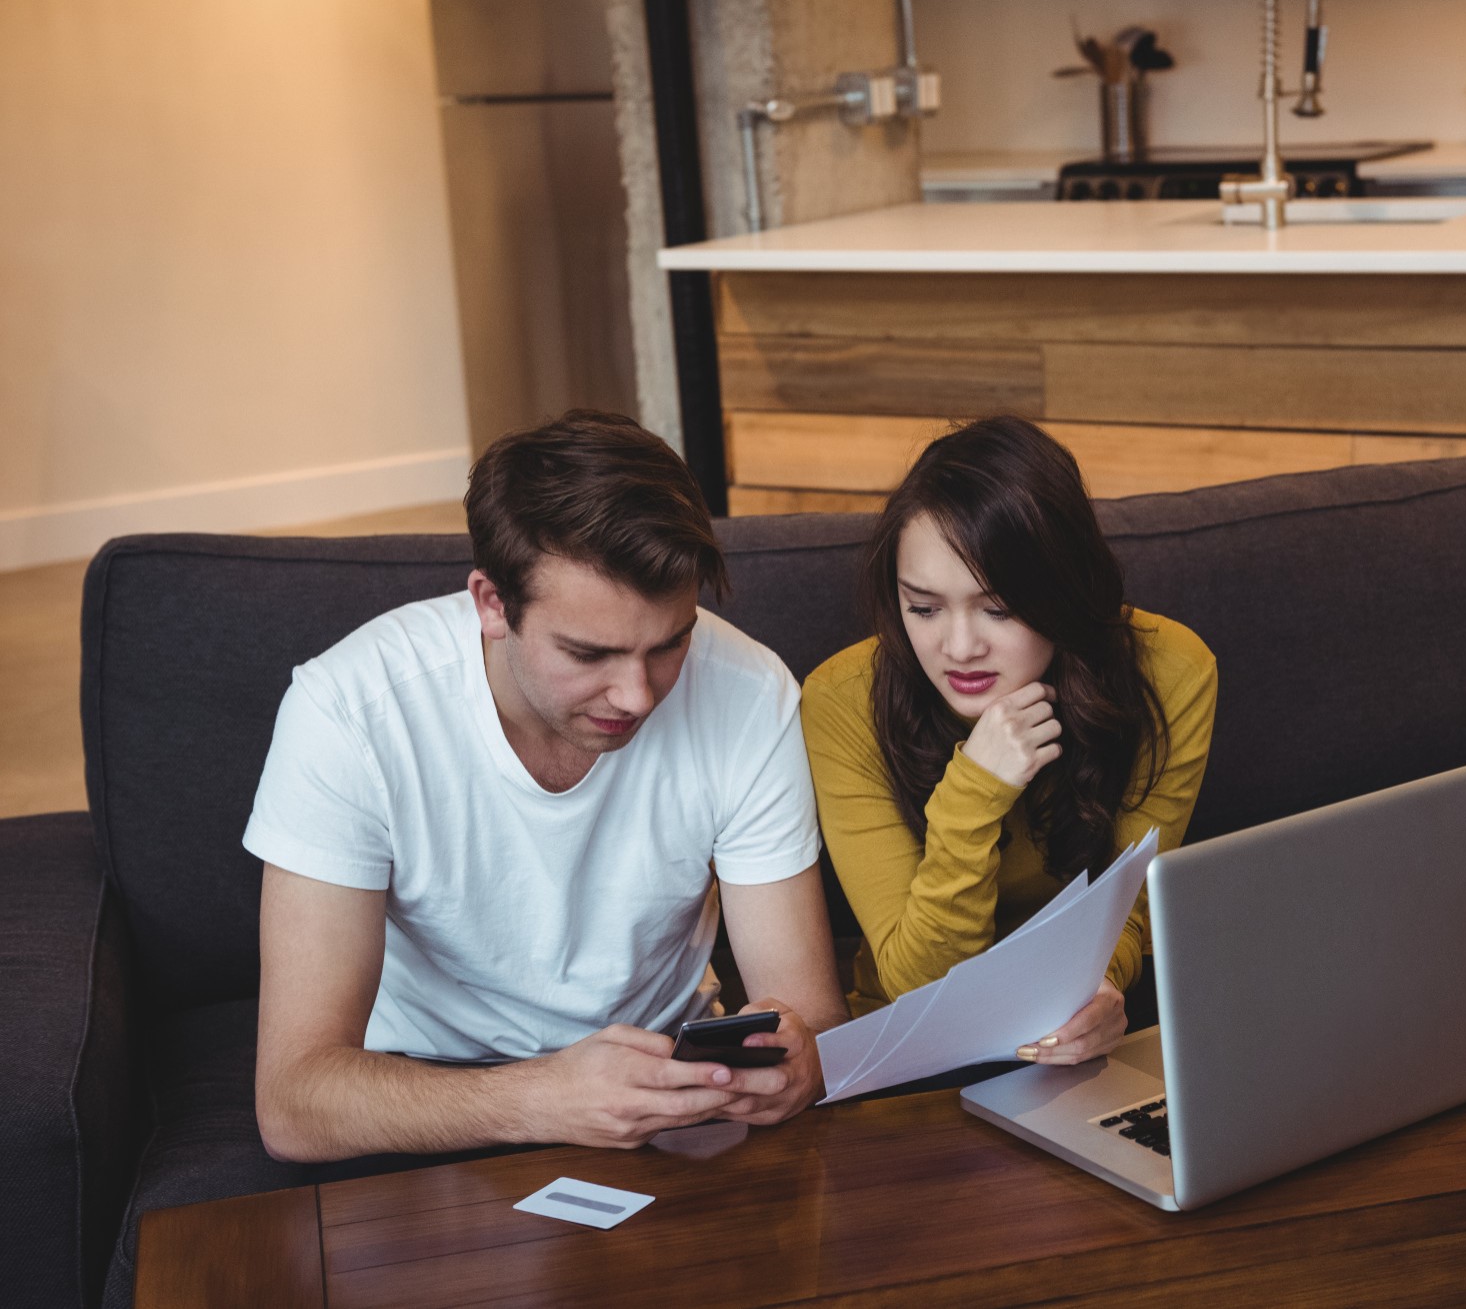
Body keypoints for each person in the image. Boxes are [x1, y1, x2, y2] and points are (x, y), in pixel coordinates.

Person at [247, 410, 845, 1165]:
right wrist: (544, 1097)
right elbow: (295, 1099)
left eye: (669, 643)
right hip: (427, 1105)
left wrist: (797, 1062)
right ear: (492, 604)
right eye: (589, 652)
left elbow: (813, 1016)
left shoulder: (750, 693)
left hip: (672, 1098)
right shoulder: (350, 711)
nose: (637, 694)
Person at [801, 416, 1217, 1067]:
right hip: (915, 1060)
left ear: (1065, 592)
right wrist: (976, 789)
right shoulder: (843, 699)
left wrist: (1102, 988)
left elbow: (1126, 907)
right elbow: (917, 989)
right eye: (924, 607)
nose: (960, 647)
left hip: (1079, 1040)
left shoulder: (1171, 673)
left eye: (998, 608)